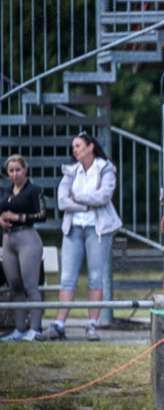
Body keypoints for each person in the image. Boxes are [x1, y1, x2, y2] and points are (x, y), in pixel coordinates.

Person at [37, 132, 123, 342]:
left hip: (97, 229)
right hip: (73, 229)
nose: (74, 150)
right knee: (67, 279)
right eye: (73, 146)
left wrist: (76, 198)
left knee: (95, 278)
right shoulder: (71, 171)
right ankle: (59, 325)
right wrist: (87, 203)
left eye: (78, 146)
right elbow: (62, 201)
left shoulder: (105, 169)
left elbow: (104, 197)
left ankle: (92, 325)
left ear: (90, 146)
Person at [1, 155, 47, 342]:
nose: (14, 174)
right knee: (15, 286)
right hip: (8, 239)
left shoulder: (33, 190)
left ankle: (34, 329)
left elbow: (42, 215)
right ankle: (19, 328)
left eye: (17, 170)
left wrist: (18, 217)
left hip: (27, 237)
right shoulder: (7, 190)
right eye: (11, 171)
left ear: (25, 169)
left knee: (31, 286)